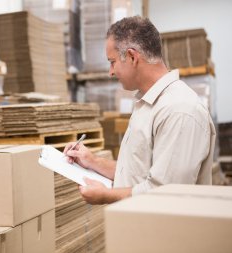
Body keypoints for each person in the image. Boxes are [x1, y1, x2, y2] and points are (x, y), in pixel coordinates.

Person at [64, 16, 216, 205]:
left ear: (132, 57)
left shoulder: (180, 111)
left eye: (112, 62)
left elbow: (165, 193)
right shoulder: (148, 104)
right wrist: (91, 161)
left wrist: (105, 195)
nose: (110, 72)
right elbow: (136, 172)